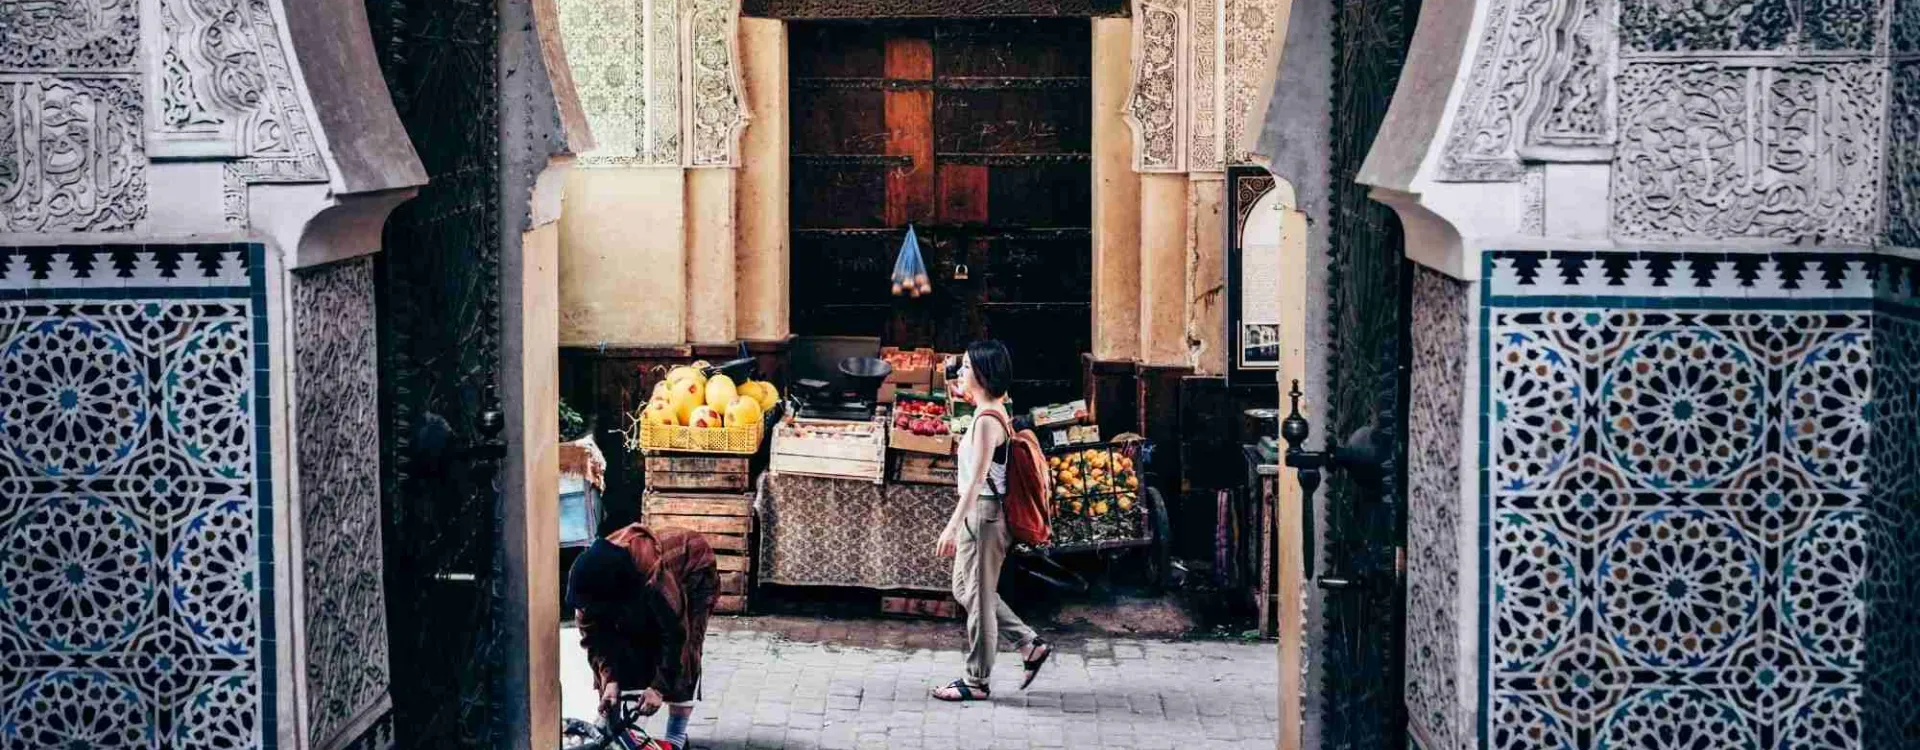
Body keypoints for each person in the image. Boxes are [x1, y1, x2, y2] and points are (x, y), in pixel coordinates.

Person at [931, 340, 1053, 702]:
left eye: (967, 367)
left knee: (980, 599)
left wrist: (952, 526)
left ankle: (977, 680)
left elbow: (976, 480)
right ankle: (1029, 643)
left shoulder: (987, 421)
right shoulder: (990, 410)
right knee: (965, 589)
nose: (961, 372)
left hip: (984, 515)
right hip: (979, 513)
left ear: (983, 374)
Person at [567, 524, 719, 749]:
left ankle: (676, 737)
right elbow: (596, 642)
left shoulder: (653, 579)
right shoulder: (587, 587)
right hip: (633, 587)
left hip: (693, 568)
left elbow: (676, 636)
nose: (585, 610)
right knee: (627, 642)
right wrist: (610, 680)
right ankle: (614, 724)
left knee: (687, 648)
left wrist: (658, 688)